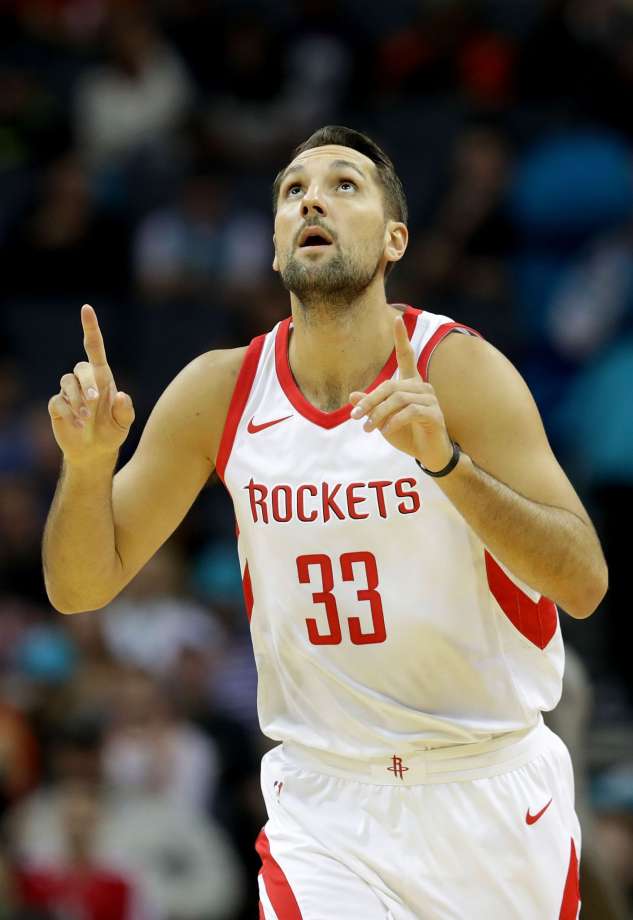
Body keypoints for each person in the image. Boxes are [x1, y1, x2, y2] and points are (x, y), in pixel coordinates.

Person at [43, 125, 608, 919]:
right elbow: (78, 587)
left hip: (486, 788)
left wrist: (445, 463)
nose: (312, 199)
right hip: (324, 806)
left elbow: (582, 582)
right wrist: (88, 464)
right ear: (275, 249)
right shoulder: (220, 390)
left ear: (394, 239)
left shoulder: (457, 370)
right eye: (292, 191)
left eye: (345, 184)